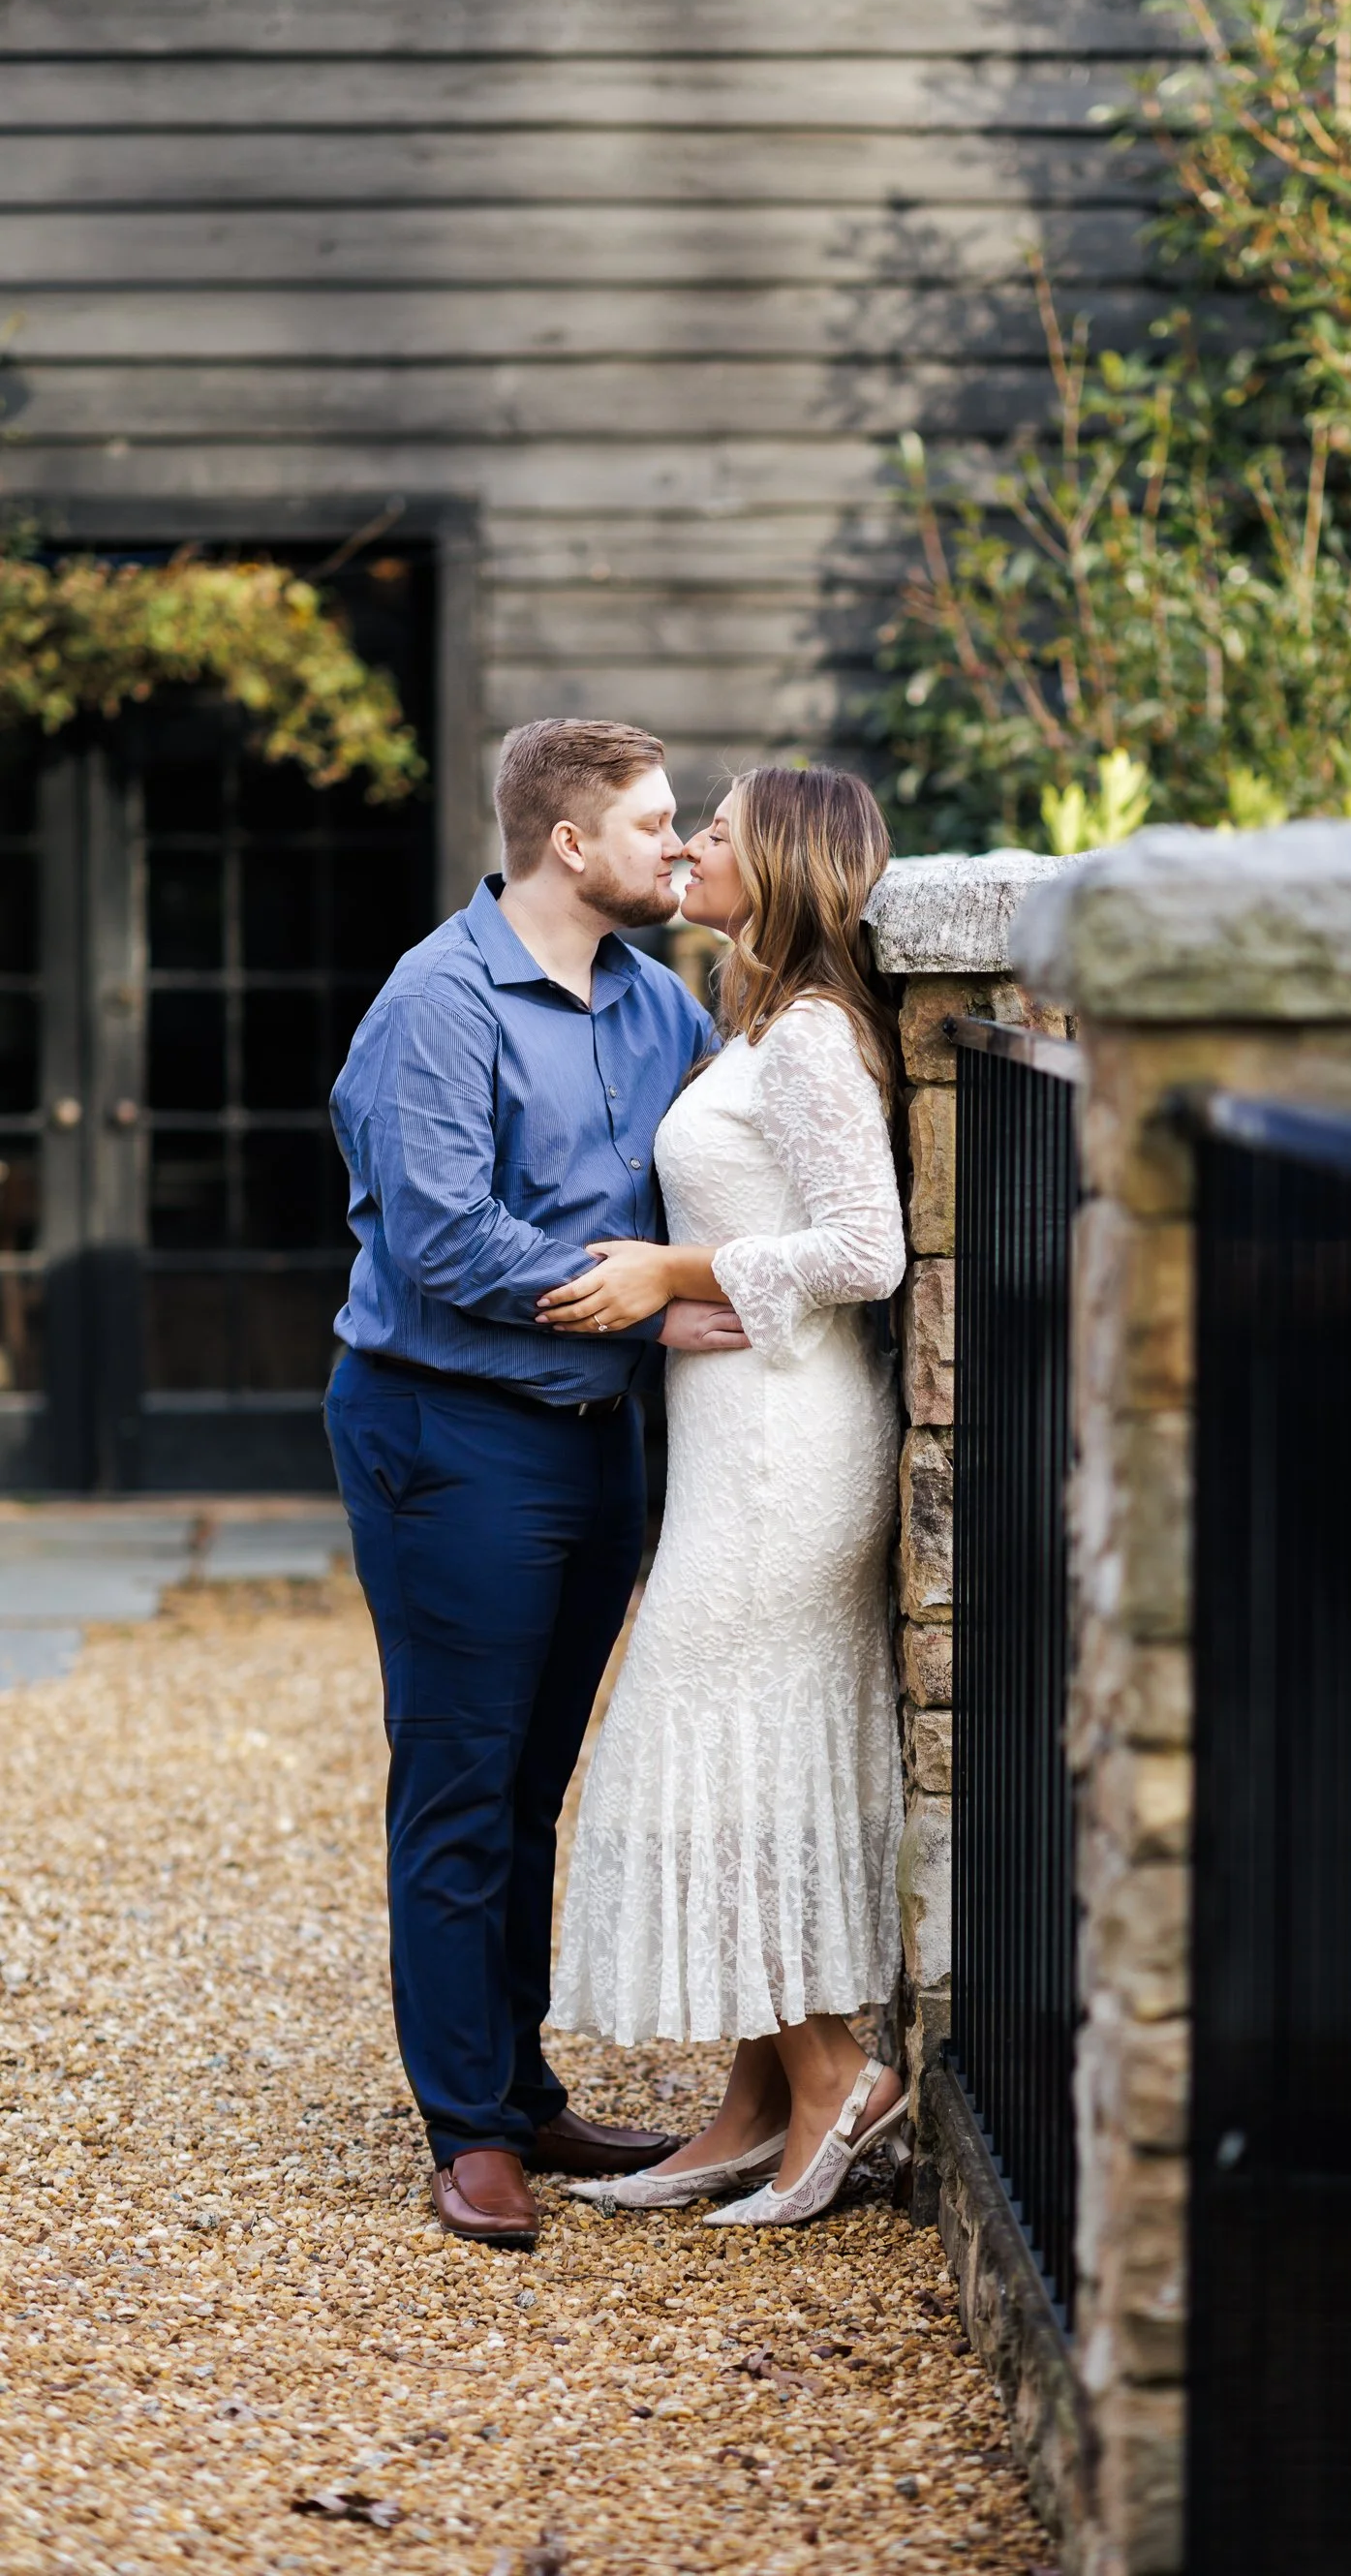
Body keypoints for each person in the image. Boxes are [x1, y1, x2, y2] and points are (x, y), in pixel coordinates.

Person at [324, 718, 750, 2252]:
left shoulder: (655, 1001)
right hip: (448, 1433)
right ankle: (470, 2133)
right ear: (569, 844)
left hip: (595, 1439)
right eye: (652, 821)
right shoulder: (436, 1004)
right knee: (460, 1778)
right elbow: (442, 1233)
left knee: (530, 1783)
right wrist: (640, 1301)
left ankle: (520, 2086)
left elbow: (723, 1158)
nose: (678, 843)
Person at [544, 763, 911, 2226]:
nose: (693, 844)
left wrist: (672, 1272)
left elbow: (867, 1250)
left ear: (786, 862)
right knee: (749, 1749)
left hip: (785, 1452)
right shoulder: (756, 1019)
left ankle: (838, 2077)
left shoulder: (812, 1037)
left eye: (719, 828)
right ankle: (752, 2109)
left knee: (716, 1749)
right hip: (734, 1443)